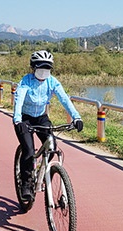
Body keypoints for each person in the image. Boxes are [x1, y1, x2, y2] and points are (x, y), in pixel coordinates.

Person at [13, 50, 83, 201]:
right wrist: (17, 119)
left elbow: (64, 99)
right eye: (40, 67)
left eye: (47, 68)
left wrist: (76, 117)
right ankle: (26, 184)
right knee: (29, 150)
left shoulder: (52, 81)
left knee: (52, 147)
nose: (44, 71)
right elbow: (18, 99)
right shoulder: (26, 81)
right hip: (24, 119)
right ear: (33, 68)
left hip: (41, 118)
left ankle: (40, 170)